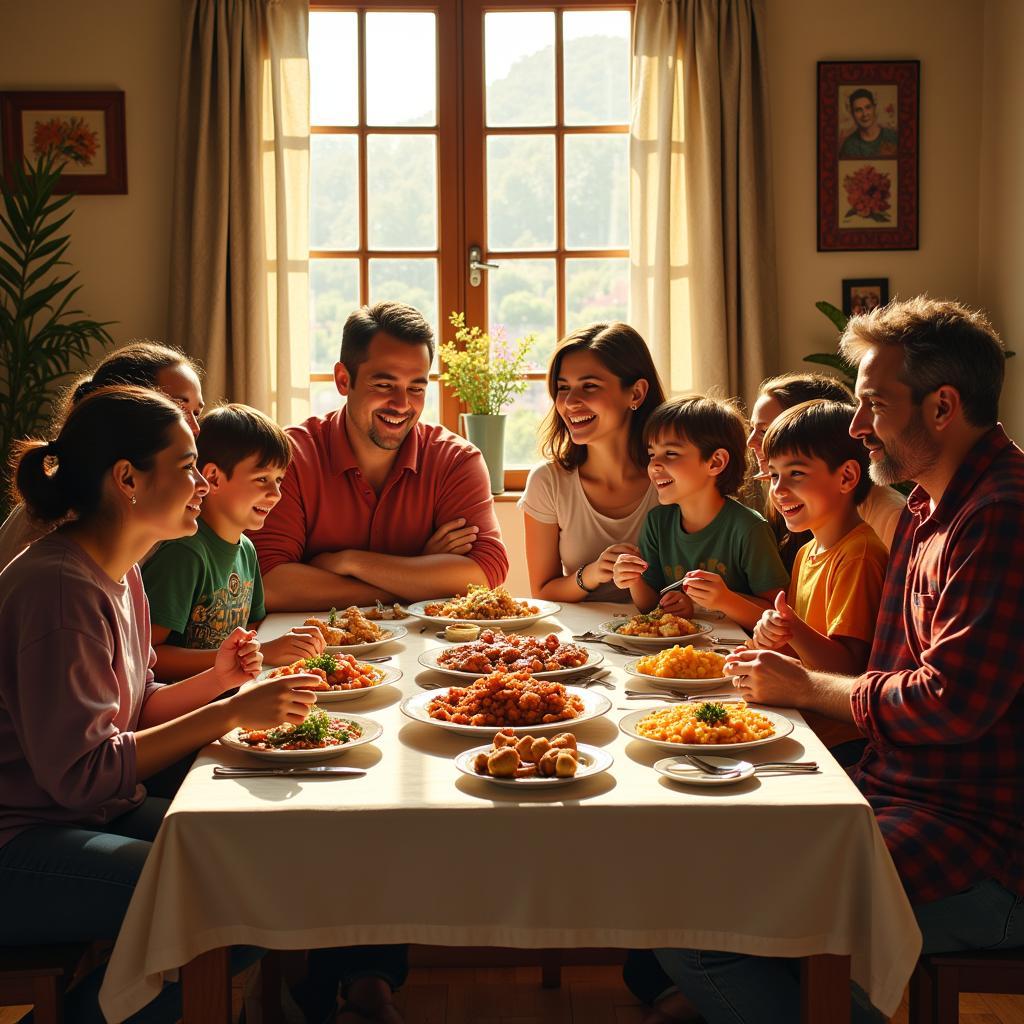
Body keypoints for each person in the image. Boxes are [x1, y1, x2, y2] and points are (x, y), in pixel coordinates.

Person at [658, 297, 1024, 1023]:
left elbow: (949, 702)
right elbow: (885, 674)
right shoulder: (929, 507)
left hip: (983, 850)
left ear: (943, 405)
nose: (858, 429)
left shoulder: (1001, 515)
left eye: (872, 407)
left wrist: (809, 687)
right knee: (694, 847)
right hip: (893, 790)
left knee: (695, 919)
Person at [0, 385, 316, 1024]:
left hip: (88, 810)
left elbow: (136, 705)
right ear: (127, 479)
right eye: (186, 466)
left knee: (276, 872)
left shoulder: (122, 572)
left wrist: (219, 680)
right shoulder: (59, 591)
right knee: (229, 895)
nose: (202, 483)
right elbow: (80, 772)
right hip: (22, 839)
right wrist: (229, 711)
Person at [253, 302, 509, 611]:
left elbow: (486, 571)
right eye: (384, 384)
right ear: (343, 380)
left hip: (428, 652)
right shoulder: (290, 456)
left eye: (416, 388)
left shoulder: (456, 460)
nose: (401, 405)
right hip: (313, 651)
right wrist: (414, 577)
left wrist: (348, 562)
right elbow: (268, 583)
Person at [142, 404, 327, 681]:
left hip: (232, 692)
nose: (276, 494)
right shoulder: (184, 552)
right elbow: (150, 659)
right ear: (213, 478)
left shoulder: (246, 549)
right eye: (262, 479)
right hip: (186, 709)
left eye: (279, 480)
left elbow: (253, 632)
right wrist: (265, 651)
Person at [753, 399, 887, 758]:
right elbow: (803, 652)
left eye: (795, 473)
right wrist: (773, 637)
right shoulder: (805, 552)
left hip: (840, 742)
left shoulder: (859, 554)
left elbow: (845, 669)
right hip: (802, 721)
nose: (779, 490)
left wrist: (792, 627)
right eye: (774, 475)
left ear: (846, 477)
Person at [0, 340, 205, 574]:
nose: (195, 427)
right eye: (177, 407)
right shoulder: (78, 519)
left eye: (197, 412)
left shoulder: (146, 507)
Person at [612, 396, 788, 630]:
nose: (654, 465)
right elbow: (650, 607)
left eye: (671, 453)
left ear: (715, 462)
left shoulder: (749, 529)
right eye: (652, 454)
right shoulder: (658, 522)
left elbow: (778, 616)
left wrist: (722, 600)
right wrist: (633, 581)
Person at [519, 322, 666, 602]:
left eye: (589, 386)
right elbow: (542, 592)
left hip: (667, 639)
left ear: (635, 393)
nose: (571, 402)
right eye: (563, 388)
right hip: (581, 642)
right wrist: (592, 574)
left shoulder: (671, 476)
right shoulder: (548, 482)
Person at [747, 372, 906, 557]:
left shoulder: (886, 519)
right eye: (752, 428)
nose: (750, 442)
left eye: (766, 431)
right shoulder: (786, 503)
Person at [838, 88, 898, 159]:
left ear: (874, 108)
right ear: (852, 114)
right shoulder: (849, 146)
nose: (865, 114)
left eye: (868, 107)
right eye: (858, 110)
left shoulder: (892, 137)